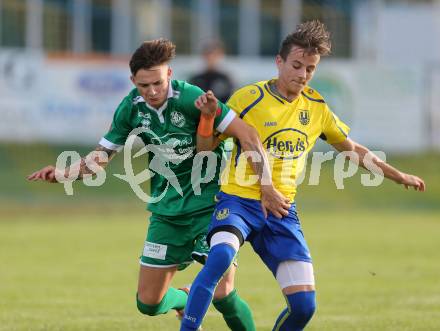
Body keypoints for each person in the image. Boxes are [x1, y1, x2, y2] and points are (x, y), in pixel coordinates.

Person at [180, 20, 426, 331]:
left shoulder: (317, 106)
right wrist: (207, 118)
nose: (302, 74)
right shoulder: (249, 98)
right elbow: (206, 146)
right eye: (296, 65)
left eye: (310, 68)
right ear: (279, 62)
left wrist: (397, 175)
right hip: (238, 201)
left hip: (282, 209)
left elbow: (351, 149)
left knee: (303, 307)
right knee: (219, 260)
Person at [27, 38, 286, 330]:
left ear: (170, 75)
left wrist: (266, 186)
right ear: (133, 81)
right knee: (148, 303)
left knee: (222, 293)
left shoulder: (191, 97)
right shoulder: (131, 108)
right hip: (168, 210)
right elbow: (99, 159)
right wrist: (63, 173)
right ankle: (186, 299)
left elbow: (248, 135)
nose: (151, 91)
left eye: (157, 83)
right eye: (143, 85)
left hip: (211, 206)